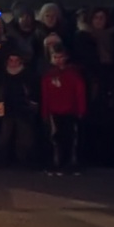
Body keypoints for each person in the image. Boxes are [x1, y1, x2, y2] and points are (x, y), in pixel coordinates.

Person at [41, 44, 87, 175]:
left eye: (61, 57)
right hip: (54, 112)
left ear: (66, 57)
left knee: (70, 138)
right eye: (56, 57)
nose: (58, 60)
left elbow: (80, 93)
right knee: (55, 139)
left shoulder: (73, 74)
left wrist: (81, 110)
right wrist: (45, 112)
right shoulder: (48, 75)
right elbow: (45, 95)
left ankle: (69, 164)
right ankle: (56, 163)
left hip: (70, 111)